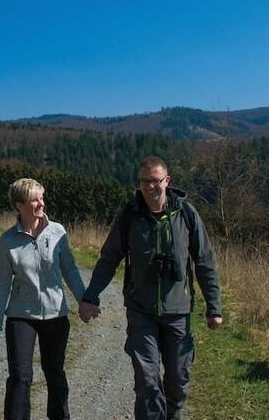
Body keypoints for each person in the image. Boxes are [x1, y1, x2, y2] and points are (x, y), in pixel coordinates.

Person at [79, 156, 222, 420]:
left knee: (178, 378)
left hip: (177, 311)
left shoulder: (186, 214)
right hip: (140, 310)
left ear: (167, 181)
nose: (149, 187)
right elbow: (109, 258)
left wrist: (214, 307)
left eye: (155, 181)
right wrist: (91, 296)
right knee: (147, 381)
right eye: (144, 181)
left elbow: (204, 261)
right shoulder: (129, 215)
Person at [0, 178, 87, 420]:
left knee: (55, 372)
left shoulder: (57, 232)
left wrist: (84, 300)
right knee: (20, 376)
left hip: (56, 315)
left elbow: (70, 270)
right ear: (19, 205)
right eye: (34, 200)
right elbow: (2, 286)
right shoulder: (7, 241)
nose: (41, 203)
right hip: (21, 316)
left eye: (42, 198)